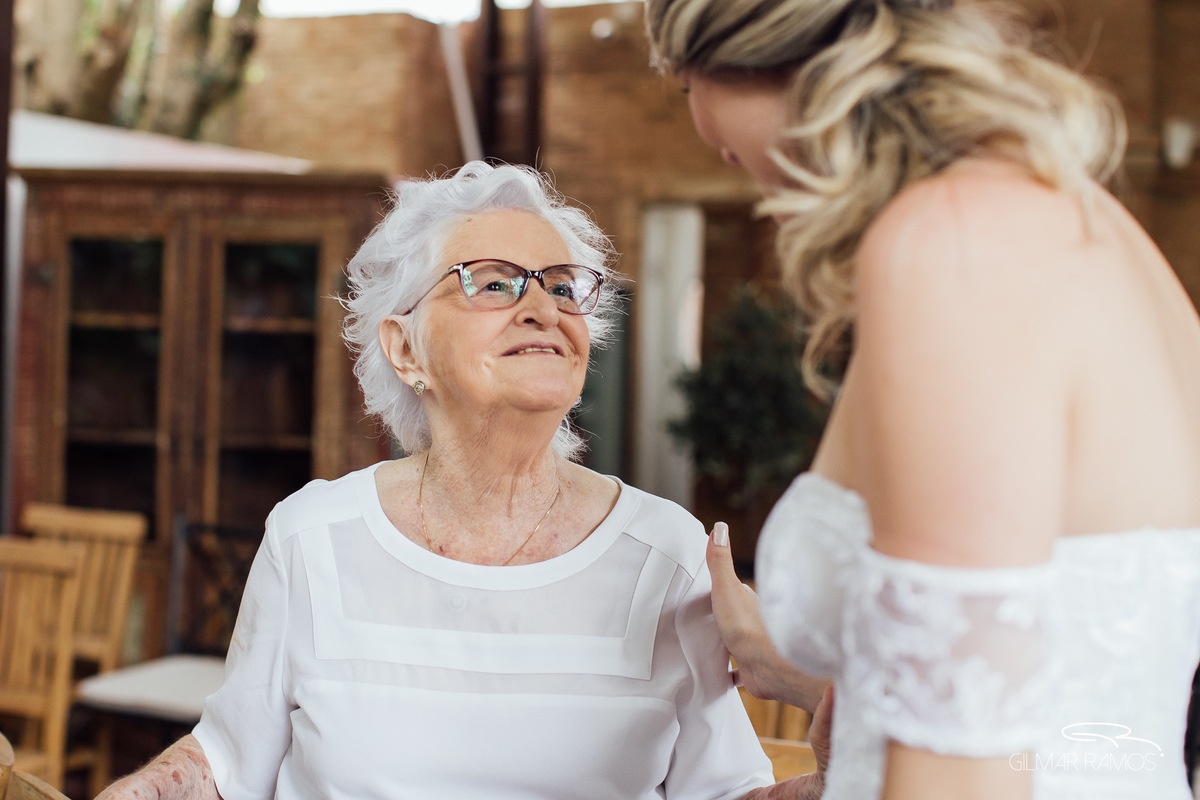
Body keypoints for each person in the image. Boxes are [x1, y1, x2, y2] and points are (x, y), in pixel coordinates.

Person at [95, 162, 833, 800]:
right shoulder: (310, 537)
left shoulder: (665, 553)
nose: (543, 309)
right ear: (405, 348)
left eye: (563, 287)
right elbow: (227, 762)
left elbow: (725, 792)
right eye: (492, 283)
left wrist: (845, 769)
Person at [645, 1, 1200, 799]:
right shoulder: (1087, 223)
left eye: (683, 84)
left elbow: (961, 771)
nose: (709, 138)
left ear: (754, 45)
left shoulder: (956, 246)